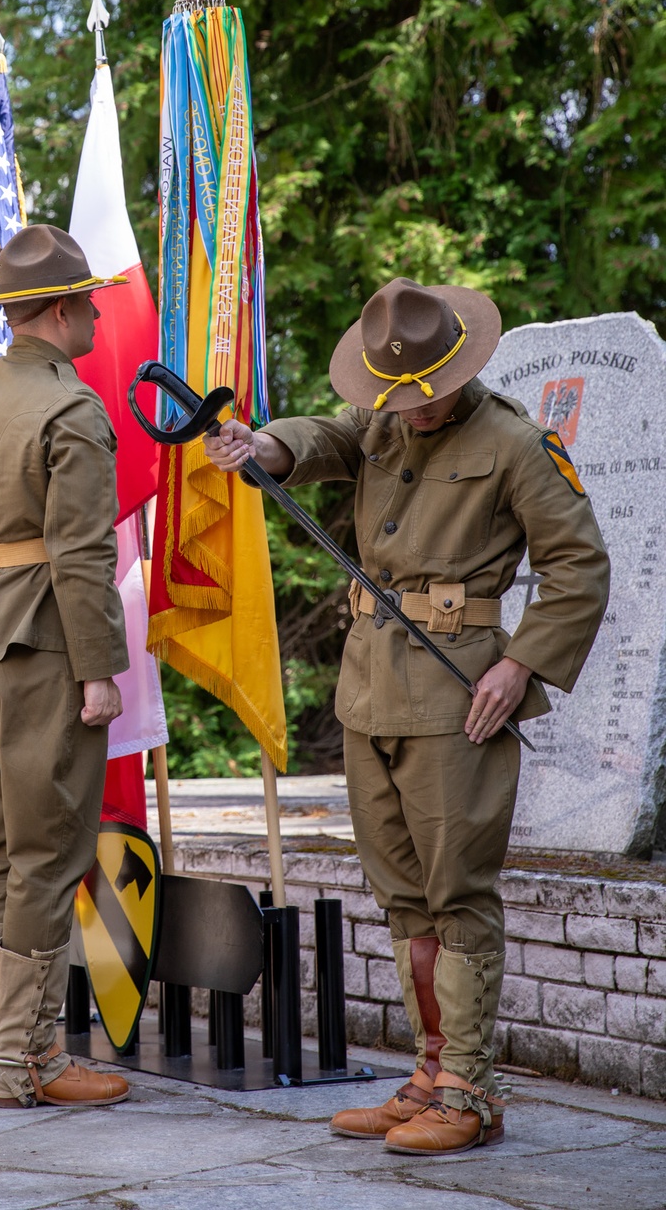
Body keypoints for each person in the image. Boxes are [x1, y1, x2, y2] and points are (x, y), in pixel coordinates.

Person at [203, 277, 610, 1154]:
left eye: (428, 395)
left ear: (459, 368)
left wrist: (520, 663)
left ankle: (469, 1090)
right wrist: (264, 444)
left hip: (458, 690)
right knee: (402, 898)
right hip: (370, 687)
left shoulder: (513, 441)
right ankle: (430, 1076)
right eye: (399, 397)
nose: (413, 413)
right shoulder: (383, 421)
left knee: (456, 891)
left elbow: (578, 566)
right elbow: (324, 437)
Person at [0, 224, 130, 1109]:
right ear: (59, 310)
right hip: (39, 644)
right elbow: (83, 554)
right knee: (49, 857)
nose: (95, 312)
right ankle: (25, 1062)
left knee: (3, 854)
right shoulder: (72, 407)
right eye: (86, 299)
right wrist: (100, 671)